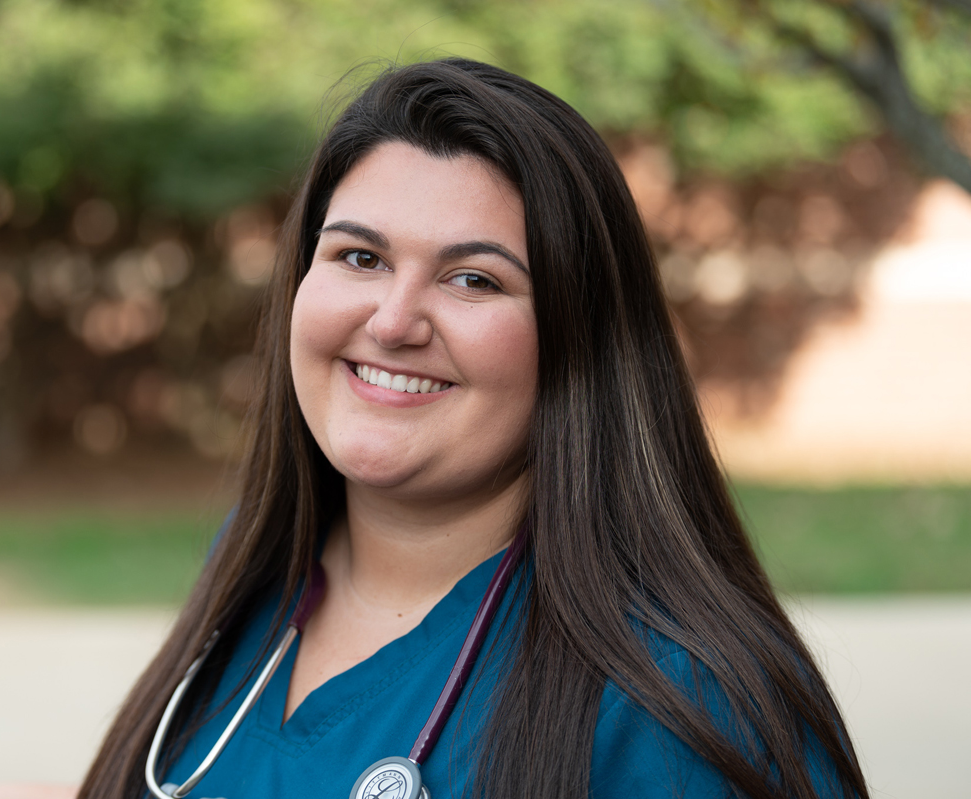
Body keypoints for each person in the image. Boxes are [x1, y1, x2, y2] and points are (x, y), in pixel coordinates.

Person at [71, 58, 868, 799]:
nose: (392, 322)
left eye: (473, 278)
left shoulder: (682, 703)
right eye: (359, 258)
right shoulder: (253, 568)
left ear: (578, 338)